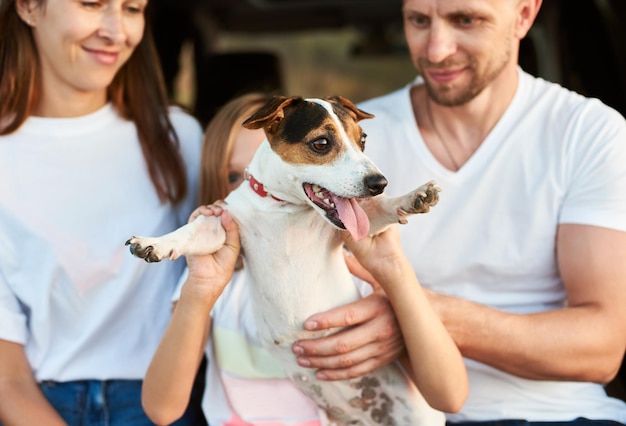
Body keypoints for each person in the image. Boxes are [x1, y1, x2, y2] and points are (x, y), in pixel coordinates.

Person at [290, 0, 626, 424]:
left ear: (524, 14)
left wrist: (418, 316)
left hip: (557, 414)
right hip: (393, 414)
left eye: (465, 20)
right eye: (418, 20)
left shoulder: (588, 132)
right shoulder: (348, 146)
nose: (435, 50)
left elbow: (601, 349)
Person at [141, 92, 468, 425]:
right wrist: (200, 288)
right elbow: (162, 410)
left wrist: (394, 270)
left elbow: (450, 396)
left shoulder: (347, 262)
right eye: (236, 177)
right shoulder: (212, 286)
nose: (258, 186)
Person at [0, 0, 205, 425]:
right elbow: (7, 377)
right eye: (92, 4)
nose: (117, 31)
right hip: (39, 404)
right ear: (28, 8)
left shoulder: (178, 140)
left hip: (165, 402)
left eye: (133, 9)